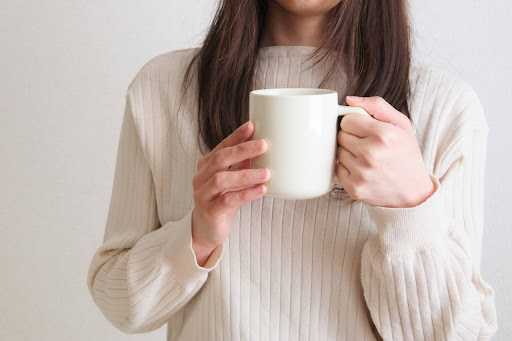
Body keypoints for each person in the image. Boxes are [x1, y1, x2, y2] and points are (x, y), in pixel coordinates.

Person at [86, 0, 498, 340]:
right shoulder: (163, 89)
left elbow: (463, 334)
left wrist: (409, 211)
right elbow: (120, 306)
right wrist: (196, 237)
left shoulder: (443, 108)